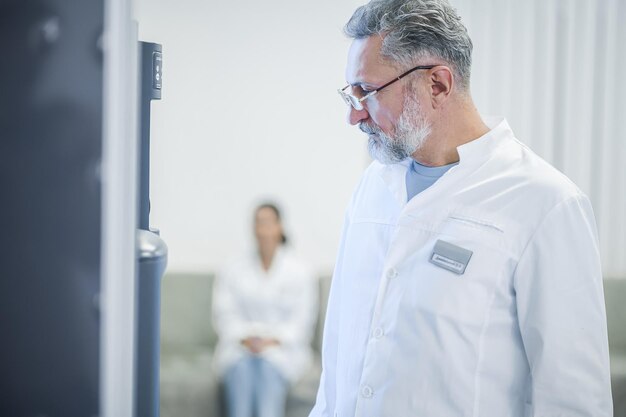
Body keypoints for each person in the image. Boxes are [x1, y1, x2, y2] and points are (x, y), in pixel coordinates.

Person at [310, 0, 613, 416]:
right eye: (351, 93)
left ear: (437, 84)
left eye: (368, 92)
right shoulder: (373, 188)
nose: (354, 115)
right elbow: (338, 361)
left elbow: (573, 398)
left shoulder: (545, 203)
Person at [213, 202, 318, 417]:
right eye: (258, 223)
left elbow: (302, 321)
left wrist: (271, 341)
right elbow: (224, 314)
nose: (263, 230)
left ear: (280, 227)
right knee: (241, 371)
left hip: (281, 351)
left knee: (268, 372)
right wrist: (247, 338)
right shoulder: (232, 268)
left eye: (268, 223)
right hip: (241, 348)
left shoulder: (300, 271)